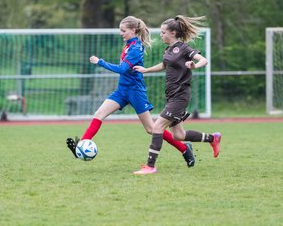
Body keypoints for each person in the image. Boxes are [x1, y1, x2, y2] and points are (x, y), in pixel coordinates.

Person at [66, 16, 195, 167]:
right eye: (120, 30)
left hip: (135, 92)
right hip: (122, 90)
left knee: (152, 129)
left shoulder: (135, 48)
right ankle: (81, 147)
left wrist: (99, 62)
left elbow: (122, 69)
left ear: (133, 31)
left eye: (123, 31)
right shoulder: (128, 45)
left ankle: (184, 148)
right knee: (99, 114)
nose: (121, 33)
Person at [132, 15, 221, 175]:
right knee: (179, 135)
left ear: (173, 33)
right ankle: (212, 138)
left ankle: (150, 166)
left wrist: (194, 65)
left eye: (163, 32)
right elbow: (164, 65)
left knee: (157, 127)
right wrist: (146, 70)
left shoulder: (184, 48)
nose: (161, 35)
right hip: (172, 96)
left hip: (180, 97)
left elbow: (204, 60)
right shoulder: (168, 50)